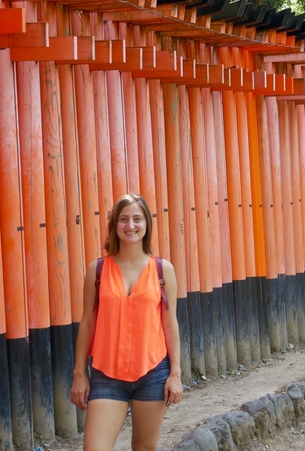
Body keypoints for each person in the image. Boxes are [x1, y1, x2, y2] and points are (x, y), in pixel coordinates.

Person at [70, 193, 183, 451]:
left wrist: (175, 374)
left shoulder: (162, 270)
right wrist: (79, 374)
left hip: (153, 373)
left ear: (146, 225)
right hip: (106, 375)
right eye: (123, 219)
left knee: (144, 447)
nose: (130, 226)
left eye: (136, 219)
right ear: (114, 225)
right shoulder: (96, 270)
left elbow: (170, 324)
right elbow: (87, 323)